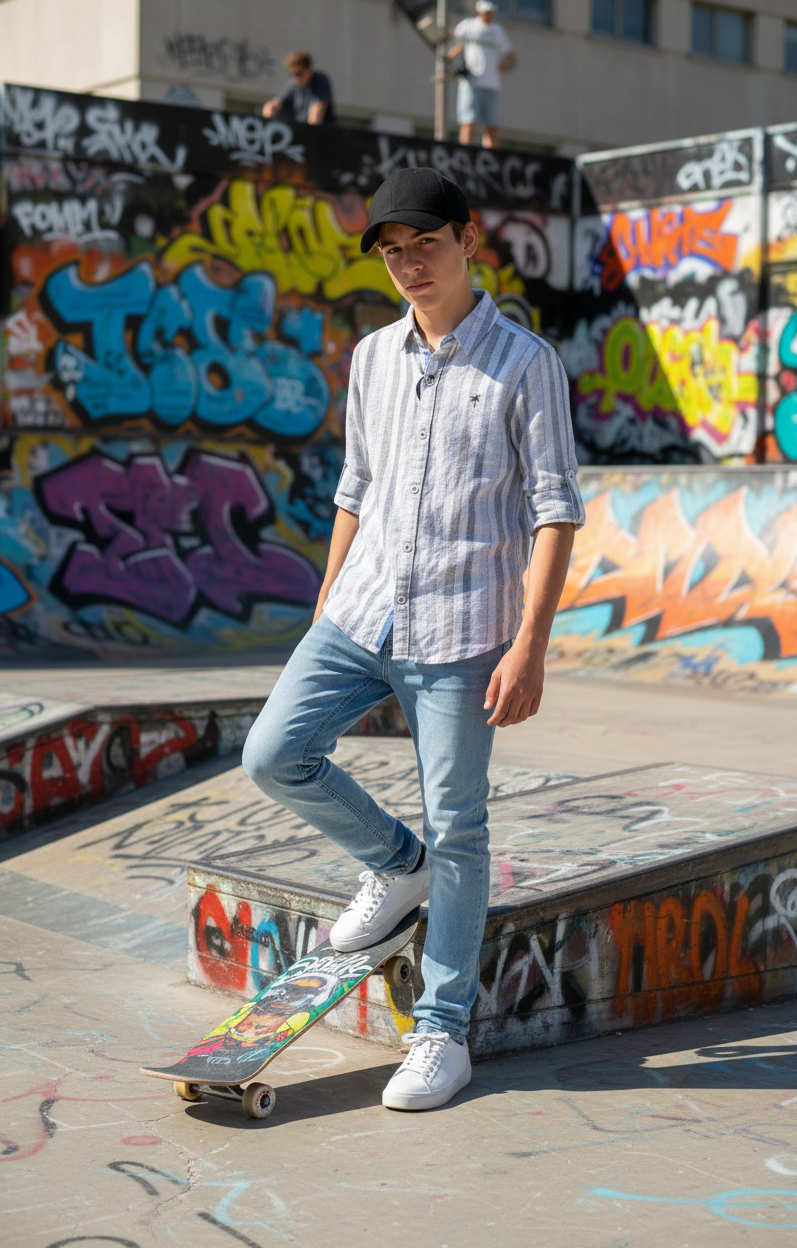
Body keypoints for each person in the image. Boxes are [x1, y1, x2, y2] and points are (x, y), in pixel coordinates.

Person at [242, 167, 584, 1112]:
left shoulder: (525, 364)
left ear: (469, 239)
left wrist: (530, 643)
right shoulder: (372, 358)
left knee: (460, 827)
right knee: (272, 753)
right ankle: (398, 866)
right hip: (360, 613)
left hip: (463, 629)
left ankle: (442, 1031)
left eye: (424, 245)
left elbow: (555, 509)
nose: (408, 265)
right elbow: (356, 485)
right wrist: (327, 596)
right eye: (392, 253)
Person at [448, 0, 515, 148]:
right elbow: (454, 47)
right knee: (468, 121)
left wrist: (507, 66)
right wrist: (450, 61)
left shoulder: (497, 31)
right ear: (479, 12)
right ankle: (466, 151)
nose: (488, 16)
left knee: (491, 124)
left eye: (490, 13)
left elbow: (509, 55)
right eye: (485, 12)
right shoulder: (467, 26)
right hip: (471, 82)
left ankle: (490, 153)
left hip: (491, 84)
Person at [262, 51, 335, 125]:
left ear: (309, 70)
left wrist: (307, 130)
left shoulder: (320, 80)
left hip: (323, 130)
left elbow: (317, 112)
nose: (296, 78)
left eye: (299, 73)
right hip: (300, 128)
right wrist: (270, 111)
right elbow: (275, 103)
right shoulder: (293, 84)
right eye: (293, 74)